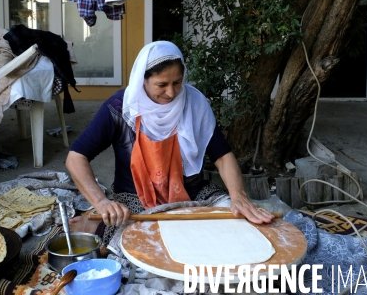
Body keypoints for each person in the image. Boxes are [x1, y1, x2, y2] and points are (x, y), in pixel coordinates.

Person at [66, 41, 273, 243]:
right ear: (143, 80)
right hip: (137, 202)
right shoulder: (121, 108)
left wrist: (238, 195)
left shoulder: (195, 104)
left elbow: (222, 156)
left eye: (177, 82)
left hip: (193, 197)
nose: (171, 93)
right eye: (161, 85)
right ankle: (100, 228)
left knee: (238, 228)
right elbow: (76, 158)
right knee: (146, 248)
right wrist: (101, 202)